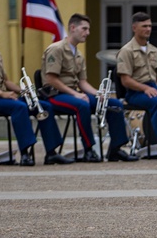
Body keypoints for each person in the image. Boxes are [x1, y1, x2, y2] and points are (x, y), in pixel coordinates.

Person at [0, 14, 70, 166]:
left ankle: (51, 152)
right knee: (19, 107)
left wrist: (24, 91)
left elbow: (6, 81)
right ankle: (25, 153)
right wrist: (3, 94)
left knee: (44, 106)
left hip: (3, 98)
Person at [44, 13, 136, 162]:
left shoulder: (78, 55)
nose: (88, 33)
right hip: (55, 95)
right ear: (73, 28)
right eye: (84, 29)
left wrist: (98, 93)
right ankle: (89, 150)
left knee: (114, 104)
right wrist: (76, 94)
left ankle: (116, 148)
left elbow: (82, 82)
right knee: (82, 105)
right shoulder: (56, 49)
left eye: (88, 29)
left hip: (73, 94)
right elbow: (51, 79)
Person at [116, 12, 157, 161]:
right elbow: (125, 80)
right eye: (144, 26)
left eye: (150, 26)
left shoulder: (155, 51)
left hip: (154, 88)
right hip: (135, 92)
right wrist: (145, 88)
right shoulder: (126, 51)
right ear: (134, 28)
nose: (148, 29)